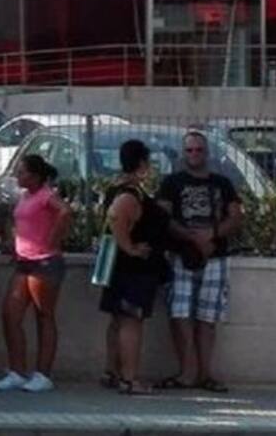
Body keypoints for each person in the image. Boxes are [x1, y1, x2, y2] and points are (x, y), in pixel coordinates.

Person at [154, 131, 244, 394]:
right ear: (184, 153)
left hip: (215, 257)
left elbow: (236, 216)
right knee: (179, 314)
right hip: (182, 256)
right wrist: (192, 238)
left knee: (207, 317)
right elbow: (163, 217)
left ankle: (205, 373)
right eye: (190, 150)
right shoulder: (172, 182)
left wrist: (212, 235)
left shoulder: (222, 183)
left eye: (199, 150)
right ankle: (186, 372)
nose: (194, 154)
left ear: (207, 152)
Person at [0, 155, 73, 393]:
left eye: (22, 172)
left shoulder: (47, 195)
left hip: (45, 262)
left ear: (36, 176)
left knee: (44, 316)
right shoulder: (26, 196)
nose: (18, 176)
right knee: (10, 315)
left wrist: (53, 239)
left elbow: (65, 212)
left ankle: (43, 374)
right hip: (24, 261)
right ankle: (17, 371)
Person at [99, 139, 169, 396]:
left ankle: (112, 372)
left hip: (120, 268)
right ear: (142, 163)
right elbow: (116, 216)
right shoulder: (130, 194)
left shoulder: (116, 188)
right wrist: (129, 247)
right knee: (131, 321)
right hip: (133, 269)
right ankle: (129, 379)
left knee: (118, 320)